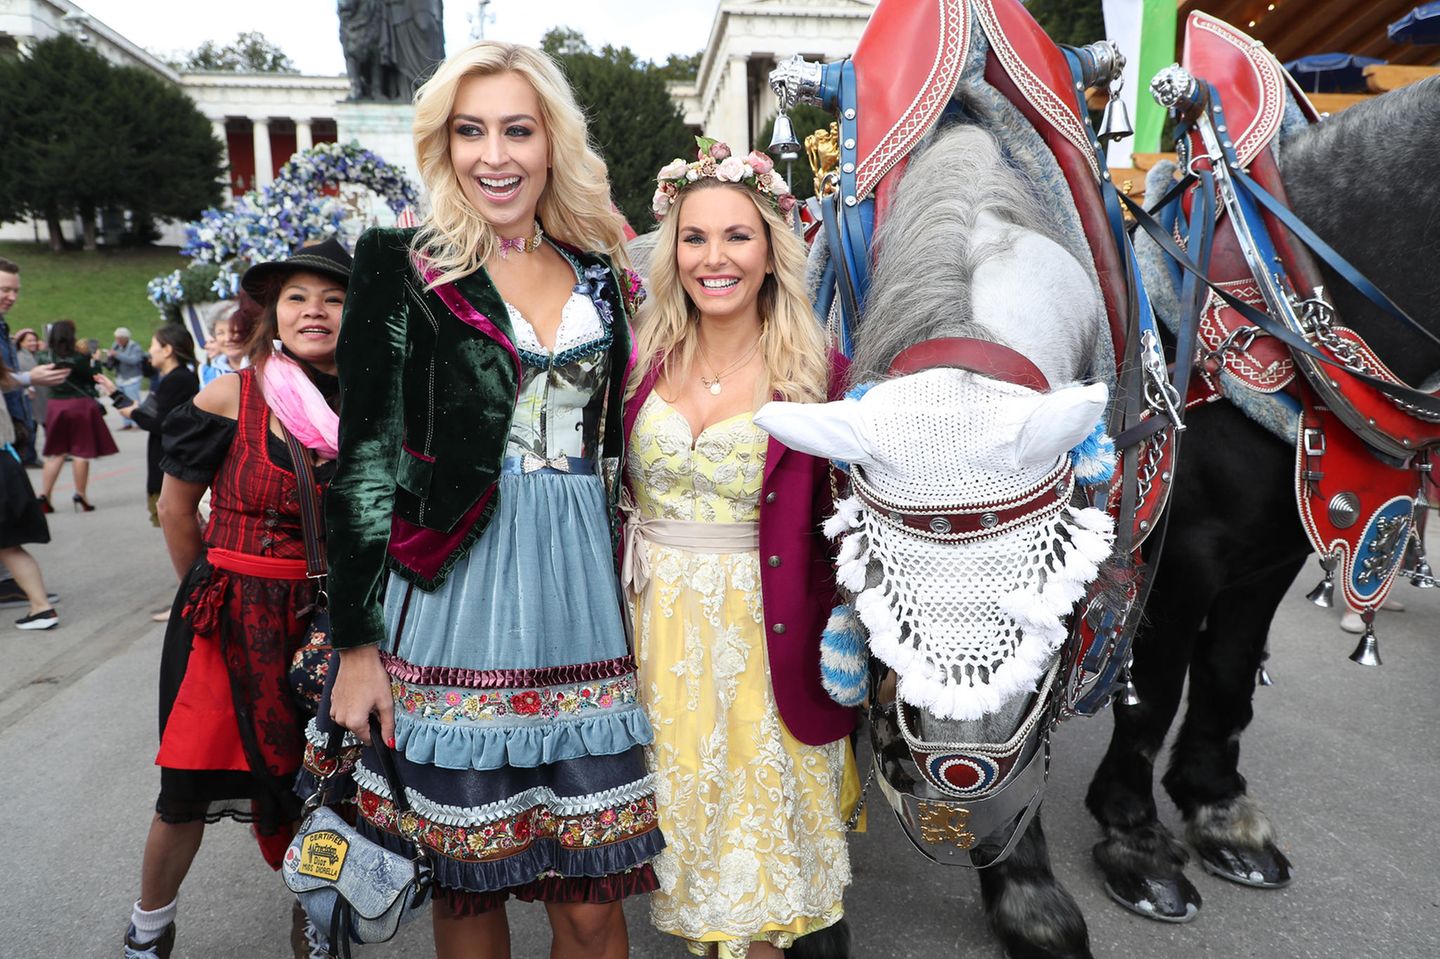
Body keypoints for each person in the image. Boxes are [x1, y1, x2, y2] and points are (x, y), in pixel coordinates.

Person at [323, 40, 661, 959]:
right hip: (452, 595)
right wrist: (357, 644)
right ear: (444, 145)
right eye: (470, 132)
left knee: (591, 903)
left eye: (517, 129)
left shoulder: (601, 268)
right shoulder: (401, 263)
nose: (494, 155)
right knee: (471, 888)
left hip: (585, 598)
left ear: (552, 140)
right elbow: (363, 464)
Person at [621, 140, 857, 957]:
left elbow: (853, 522)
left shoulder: (819, 372)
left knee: (755, 878)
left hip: (765, 637)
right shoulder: (638, 361)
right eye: (694, 237)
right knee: (683, 848)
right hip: (651, 640)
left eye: (737, 236)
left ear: (771, 251)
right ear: (670, 250)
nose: (713, 257)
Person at [121, 240, 352, 959]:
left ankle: (314, 920)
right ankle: (149, 928)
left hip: (327, 625)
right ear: (272, 314)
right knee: (187, 783)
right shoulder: (232, 393)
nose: (315, 310)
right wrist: (212, 587)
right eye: (297, 297)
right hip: (228, 619)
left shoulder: (374, 403)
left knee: (329, 787)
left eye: (335, 298)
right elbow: (176, 508)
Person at [95, 325, 200, 528]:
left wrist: (133, 413)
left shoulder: (178, 379)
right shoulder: (174, 378)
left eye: (153, 345)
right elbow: (150, 412)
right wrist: (115, 395)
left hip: (171, 461)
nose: (149, 351)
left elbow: (160, 422)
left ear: (167, 350)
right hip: (167, 459)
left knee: (177, 528)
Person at [0, 348, 65, 629]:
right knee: (9, 546)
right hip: (6, 463)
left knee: (9, 546)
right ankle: (41, 607)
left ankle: (41, 607)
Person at [38, 319, 118, 512]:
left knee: (56, 453)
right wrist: (96, 360)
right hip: (79, 405)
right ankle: (80, 494)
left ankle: (44, 495)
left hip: (55, 404)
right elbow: (94, 377)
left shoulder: (44, 357)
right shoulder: (79, 357)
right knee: (81, 452)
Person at [0, 261, 38, 465]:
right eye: (5, 290)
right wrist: (30, 377)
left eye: (16, 291)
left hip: (11, 434)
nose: (12, 297)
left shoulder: (3, 325)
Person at [104, 326, 148, 427]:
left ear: (126, 338)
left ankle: (137, 423)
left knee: (133, 401)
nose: (117, 340)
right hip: (120, 378)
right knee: (122, 401)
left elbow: (134, 360)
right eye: (116, 338)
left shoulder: (135, 347)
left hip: (132, 378)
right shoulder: (116, 345)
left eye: (119, 338)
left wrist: (117, 355)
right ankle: (127, 423)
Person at [12, 328, 42, 465]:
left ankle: (29, 456)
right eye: (29, 340)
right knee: (29, 426)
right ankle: (28, 457)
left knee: (33, 426)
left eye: (34, 340)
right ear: (21, 342)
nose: (33, 343)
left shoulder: (31, 355)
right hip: (26, 396)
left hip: (34, 397)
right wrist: (29, 387)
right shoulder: (21, 357)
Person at [198, 312, 252, 387]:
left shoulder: (262, 364)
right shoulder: (208, 373)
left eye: (235, 331)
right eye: (220, 333)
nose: (228, 339)